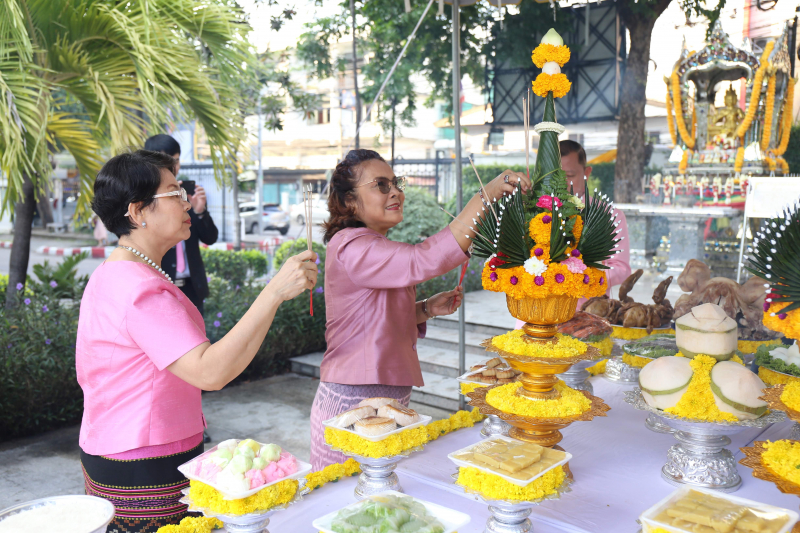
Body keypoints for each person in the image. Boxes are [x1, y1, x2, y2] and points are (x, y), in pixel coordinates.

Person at [77, 150, 317, 533]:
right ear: (138, 211)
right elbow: (210, 371)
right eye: (174, 192)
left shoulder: (117, 272)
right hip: (145, 461)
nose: (186, 200)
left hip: (120, 448)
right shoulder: (140, 290)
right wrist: (273, 292)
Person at [309, 149, 531, 470]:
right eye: (381, 185)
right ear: (349, 202)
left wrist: (425, 308)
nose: (396, 191)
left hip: (386, 398)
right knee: (348, 500)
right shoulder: (351, 244)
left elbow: (370, 320)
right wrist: (485, 196)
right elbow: (424, 259)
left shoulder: (370, 243)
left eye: (395, 183)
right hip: (354, 402)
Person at [144, 134, 217, 316]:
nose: (173, 167)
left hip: (193, 288)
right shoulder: (145, 201)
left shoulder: (188, 196)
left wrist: (200, 211)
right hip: (161, 288)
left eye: (175, 160)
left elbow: (210, 237)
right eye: (165, 161)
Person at [559, 140, 631, 303]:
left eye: (569, 175)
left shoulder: (610, 215)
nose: (561, 183)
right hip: (535, 319)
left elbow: (621, 268)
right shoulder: (534, 212)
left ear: (587, 173)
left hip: (588, 313)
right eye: (555, 176)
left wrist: (580, 278)